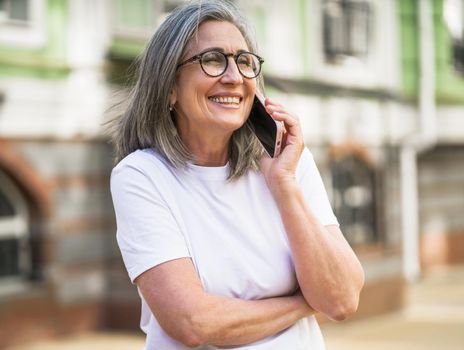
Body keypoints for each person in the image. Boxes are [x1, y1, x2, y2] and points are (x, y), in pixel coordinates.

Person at [109, 1, 364, 349]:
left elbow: (343, 299)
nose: (233, 77)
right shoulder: (142, 176)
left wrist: (283, 185)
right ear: (169, 86)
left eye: (244, 62)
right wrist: (304, 302)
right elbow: (193, 322)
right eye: (212, 60)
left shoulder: (289, 162)